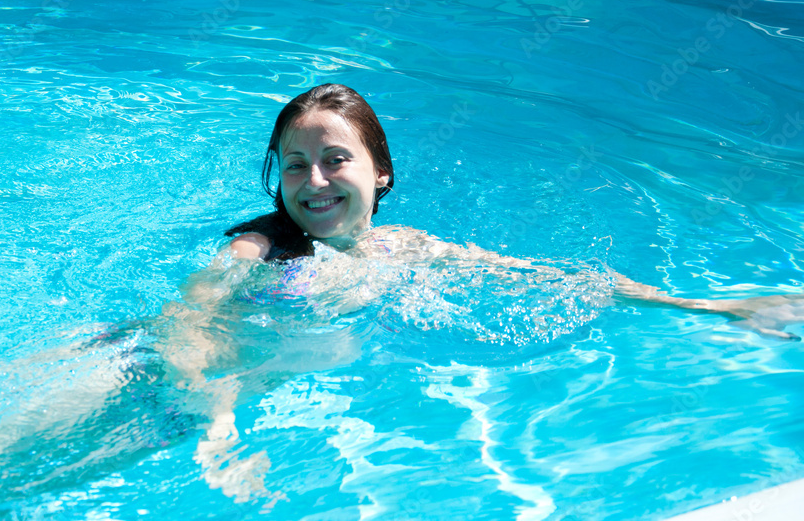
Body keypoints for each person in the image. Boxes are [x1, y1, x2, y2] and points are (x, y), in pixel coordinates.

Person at [159, 82, 803, 506]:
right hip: (146, 379)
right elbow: (184, 324)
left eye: (335, 158)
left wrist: (715, 308)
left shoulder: (405, 248)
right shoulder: (259, 250)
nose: (315, 180)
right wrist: (218, 421)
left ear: (379, 171)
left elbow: (556, 277)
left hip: (206, 401)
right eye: (295, 163)